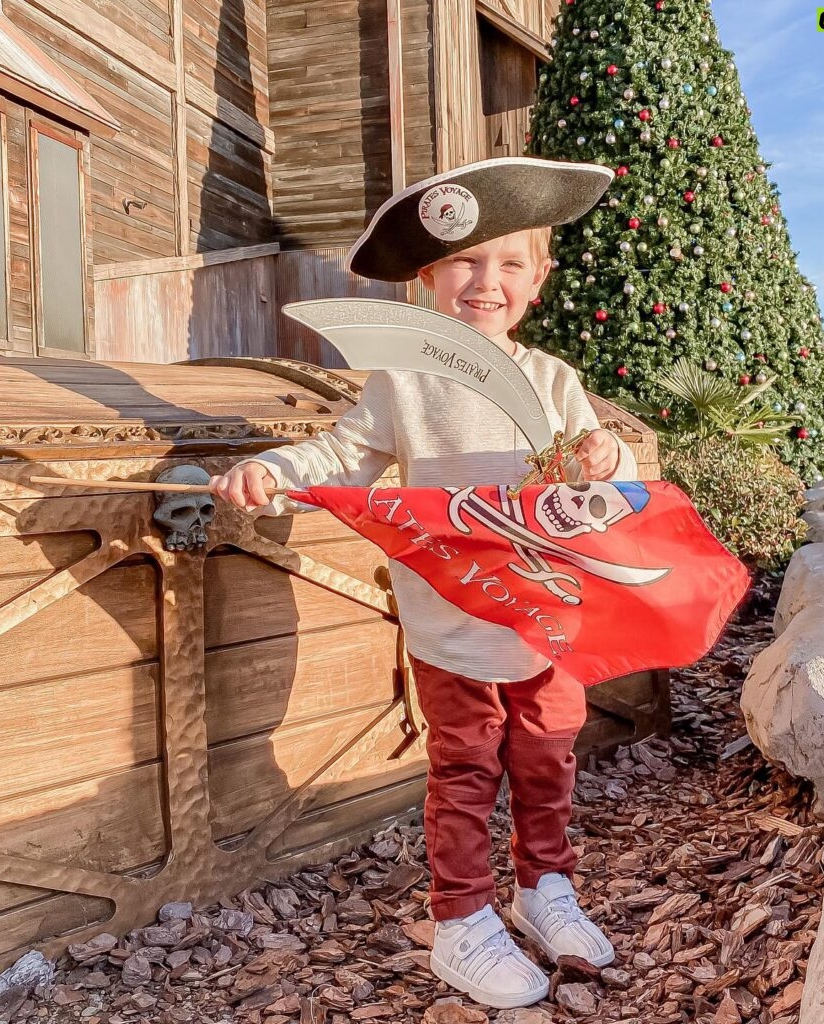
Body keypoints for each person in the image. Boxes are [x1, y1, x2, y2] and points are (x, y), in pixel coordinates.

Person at [210, 157, 638, 1009]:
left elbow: (610, 474)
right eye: (465, 263)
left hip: (547, 612)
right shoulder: (404, 381)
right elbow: (343, 456)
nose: (487, 282)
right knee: (467, 762)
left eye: (509, 263)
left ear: (538, 279)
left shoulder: (554, 380)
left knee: (549, 755)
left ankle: (543, 886)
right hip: (454, 618)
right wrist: (274, 468)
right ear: (431, 278)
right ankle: (462, 920)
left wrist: (604, 456)